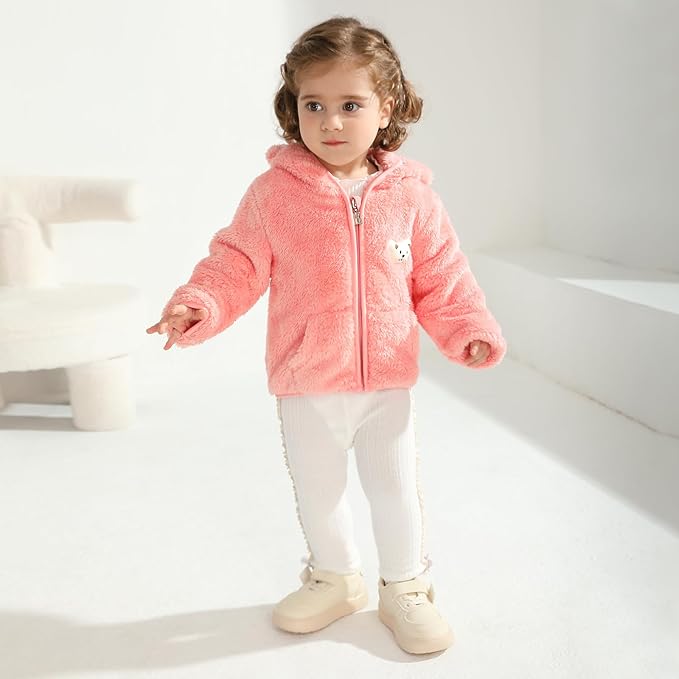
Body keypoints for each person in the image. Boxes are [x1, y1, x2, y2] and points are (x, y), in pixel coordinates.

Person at [146, 16, 507, 655]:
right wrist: (200, 302)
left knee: (394, 491)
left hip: (385, 383)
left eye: (351, 105)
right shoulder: (274, 195)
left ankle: (405, 587)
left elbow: (442, 277)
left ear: (385, 107)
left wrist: (467, 328)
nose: (331, 122)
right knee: (319, 493)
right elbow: (236, 263)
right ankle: (336, 578)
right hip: (305, 379)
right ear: (294, 108)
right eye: (314, 105)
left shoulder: (412, 198)